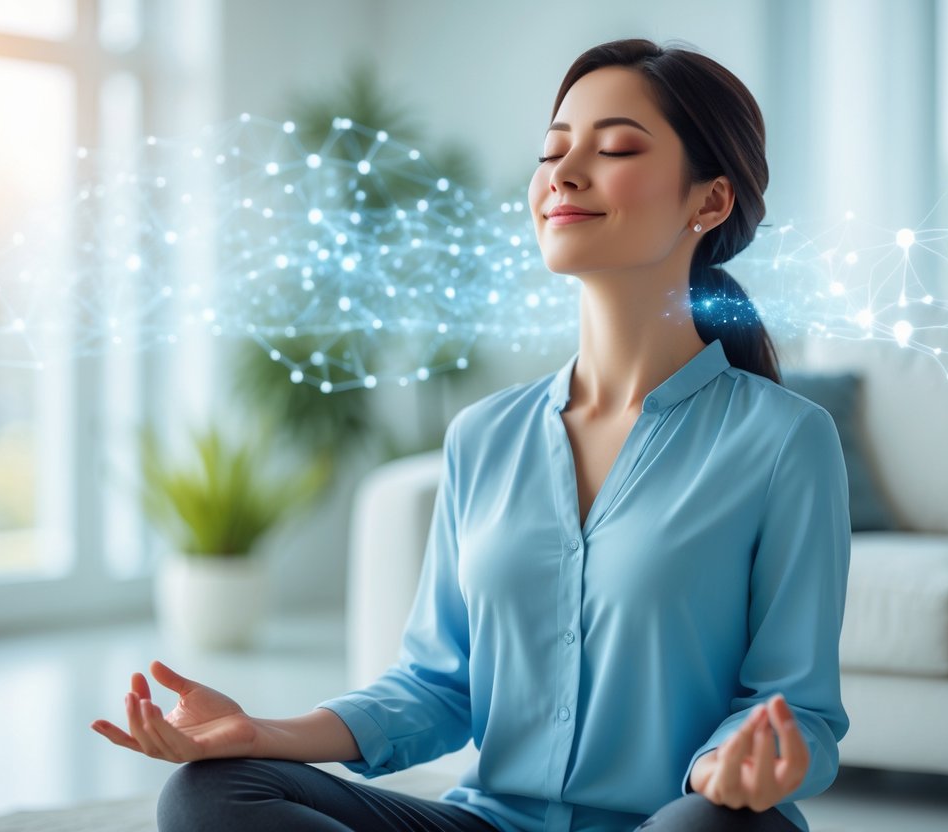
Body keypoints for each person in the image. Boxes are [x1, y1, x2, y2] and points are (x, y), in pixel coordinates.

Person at [92, 38, 851, 832]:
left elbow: (794, 704)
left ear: (709, 202)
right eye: (552, 151)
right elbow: (436, 685)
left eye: (616, 147)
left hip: (671, 821)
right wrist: (264, 734)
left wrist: (727, 769)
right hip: (487, 824)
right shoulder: (484, 436)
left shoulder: (783, 440)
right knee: (210, 792)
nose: (563, 173)